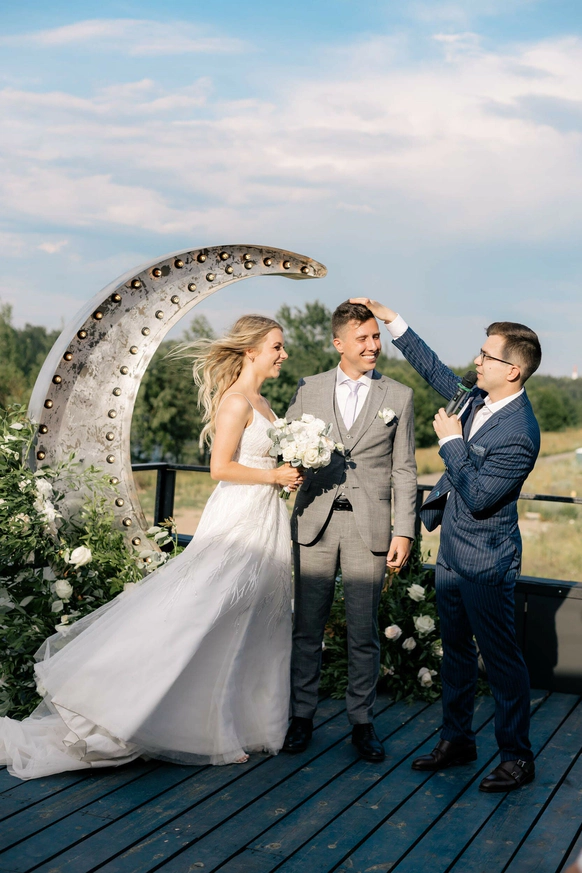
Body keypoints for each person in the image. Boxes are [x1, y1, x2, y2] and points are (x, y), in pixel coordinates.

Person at [0, 315, 302, 780]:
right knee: (205, 611)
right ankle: (144, 709)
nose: (283, 354)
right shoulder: (236, 401)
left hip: (265, 517)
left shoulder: (263, 401)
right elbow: (220, 467)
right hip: (238, 516)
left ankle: (243, 723)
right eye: (277, 346)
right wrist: (274, 475)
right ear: (251, 350)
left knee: (255, 617)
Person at [351, 296, 541, 793]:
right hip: (453, 554)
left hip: (487, 562)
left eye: (487, 355)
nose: (477, 360)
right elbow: (433, 368)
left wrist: (451, 442)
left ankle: (517, 758)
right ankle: (458, 741)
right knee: (454, 653)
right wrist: (393, 320)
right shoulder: (475, 398)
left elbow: (478, 496)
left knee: (500, 661)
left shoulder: (521, 433)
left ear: (513, 370)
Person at [282, 301, 417, 762]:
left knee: (364, 632)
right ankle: (301, 717)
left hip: (370, 528)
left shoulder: (399, 396)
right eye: (363, 338)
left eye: (376, 337)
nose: (373, 345)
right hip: (314, 522)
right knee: (307, 629)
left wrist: (404, 531)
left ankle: (362, 722)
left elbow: (404, 470)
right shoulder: (308, 388)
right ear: (339, 343)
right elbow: (287, 445)